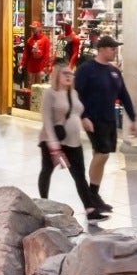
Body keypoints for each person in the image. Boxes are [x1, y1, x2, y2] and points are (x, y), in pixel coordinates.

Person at [73, 36, 137, 211]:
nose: (114, 51)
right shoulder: (86, 70)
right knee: (101, 154)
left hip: (109, 118)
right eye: (111, 48)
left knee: (103, 156)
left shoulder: (114, 71)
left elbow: (123, 95)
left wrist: (133, 119)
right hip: (93, 119)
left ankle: (94, 193)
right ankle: (91, 195)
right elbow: (76, 94)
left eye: (115, 48)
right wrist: (83, 116)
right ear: (101, 49)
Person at [38, 63, 104, 216]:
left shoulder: (74, 93)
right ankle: (43, 202)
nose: (69, 76)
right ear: (57, 75)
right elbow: (46, 118)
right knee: (47, 172)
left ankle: (90, 209)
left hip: (74, 141)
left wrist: (85, 119)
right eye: (65, 73)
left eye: (71, 73)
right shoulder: (50, 93)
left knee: (79, 176)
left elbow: (77, 110)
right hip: (53, 141)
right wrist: (53, 143)